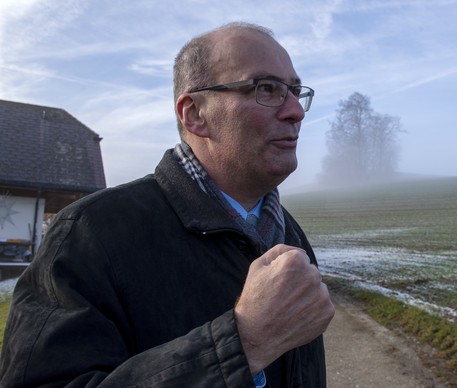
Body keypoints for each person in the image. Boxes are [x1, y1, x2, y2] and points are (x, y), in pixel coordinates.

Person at [0, 22, 335, 387]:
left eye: (295, 91)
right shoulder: (88, 234)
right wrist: (243, 343)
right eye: (265, 88)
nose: (296, 112)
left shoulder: (292, 237)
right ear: (194, 114)